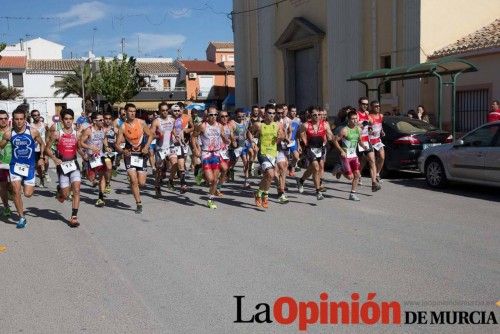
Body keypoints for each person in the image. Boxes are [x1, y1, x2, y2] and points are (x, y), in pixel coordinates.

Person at [0, 107, 45, 228]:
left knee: (28, 194)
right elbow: (1, 146)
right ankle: (21, 217)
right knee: (16, 191)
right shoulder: (9, 133)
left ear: (25, 119)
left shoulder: (33, 131)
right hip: (15, 166)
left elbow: (42, 144)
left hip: (29, 166)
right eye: (16, 119)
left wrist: (41, 157)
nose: (19, 122)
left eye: (21, 119)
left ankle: (23, 185)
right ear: (13, 120)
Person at [45, 108, 82, 227]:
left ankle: (74, 217)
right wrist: (55, 159)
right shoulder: (57, 133)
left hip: (74, 164)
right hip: (62, 167)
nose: (68, 121)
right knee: (65, 195)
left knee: (76, 189)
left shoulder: (77, 133)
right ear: (62, 120)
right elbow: (47, 149)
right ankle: (60, 191)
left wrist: (85, 156)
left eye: (70, 119)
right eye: (66, 119)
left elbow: (79, 148)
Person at [115, 103, 154, 214]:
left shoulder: (141, 123)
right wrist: (123, 151)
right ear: (125, 112)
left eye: (134, 111)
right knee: (133, 180)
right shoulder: (122, 127)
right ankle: (139, 203)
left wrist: (146, 147)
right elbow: (117, 144)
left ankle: (134, 185)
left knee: (141, 183)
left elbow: (151, 135)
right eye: (130, 111)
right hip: (130, 155)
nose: (132, 113)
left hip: (141, 155)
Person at [247, 104, 285, 209]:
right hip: (262, 153)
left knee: (269, 177)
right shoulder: (259, 125)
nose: (272, 115)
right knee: (270, 173)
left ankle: (259, 193)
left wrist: (281, 137)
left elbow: (282, 135)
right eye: (270, 113)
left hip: (273, 153)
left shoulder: (278, 125)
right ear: (265, 114)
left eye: (274, 113)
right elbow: (249, 132)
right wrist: (252, 143)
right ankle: (264, 195)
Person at [192, 105, 229, 209]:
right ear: (207, 115)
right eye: (211, 115)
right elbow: (193, 137)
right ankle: (201, 172)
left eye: (215, 115)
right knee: (210, 179)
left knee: (214, 181)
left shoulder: (219, 126)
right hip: (206, 153)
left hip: (216, 153)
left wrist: (227, 140)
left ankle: (210, 199)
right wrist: (196, 149)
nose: (213, 116)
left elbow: (222, 136)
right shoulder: (202, 126)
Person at [297, 106, 334, 200]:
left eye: (318, 115)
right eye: (314, 115)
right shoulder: (305, 125)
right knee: (316, 168)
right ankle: (318, 192)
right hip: (310, 149)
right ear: (310, 115)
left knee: (313, 168)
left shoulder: (325, 124)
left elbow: (330, 135)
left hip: (320, 148)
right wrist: (303, 146)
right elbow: (300, 135)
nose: (317, 117)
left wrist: (331, 137)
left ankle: (301, 181)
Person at [79, 112, 110, 207]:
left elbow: (104, 138)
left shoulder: (103, 129)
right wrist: (90, 147)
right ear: (94, 121)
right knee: (91, 178)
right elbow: (80, 143)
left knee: (102, 175)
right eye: (100, 120)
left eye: (103, 119)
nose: (103, 121)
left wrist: (106, 146)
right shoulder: (88, 130)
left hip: (100, 156)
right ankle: (85, 172)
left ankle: (101, 198)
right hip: (90, 157)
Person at [332, 110, 362, 201]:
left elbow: (359, 140)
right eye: (352, 119)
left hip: (354, 156)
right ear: (348, 120)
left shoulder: (358, 129)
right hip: (345, 156)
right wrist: (341, 150)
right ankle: (340, 169)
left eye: (356, 118)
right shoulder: (344, 130)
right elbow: (334, 140)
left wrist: (364, 145)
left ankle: (352, 194)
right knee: (350, 177)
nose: (355, 120)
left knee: (357, 175)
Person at [149, 102, 176, 197]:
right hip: (160, 149)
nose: (165, 112)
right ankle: (157, 186)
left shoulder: (172, 120)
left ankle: (170, 181)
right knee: (159, 170)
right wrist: (158, 135)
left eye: (166, 110)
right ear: (160, 111)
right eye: (162, 110)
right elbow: (151, 135)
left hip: (170, 146)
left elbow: (173, 130)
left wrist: (176, 135)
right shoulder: (156, 121)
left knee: (175, 164)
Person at [356, 97, 381, 192]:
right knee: (357, 162)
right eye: (363, 104)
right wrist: (364, 123)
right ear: (359, 104)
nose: (365, 106)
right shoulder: (356, 115)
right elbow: (354, 128)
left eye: (366, 104)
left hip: (367, 140)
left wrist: (369, 127)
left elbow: (369, 124)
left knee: (372, 161)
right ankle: (342, 169)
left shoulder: (367, 114)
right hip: (358, 141)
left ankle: (374, 183)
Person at [229, 108, 251, 188]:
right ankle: (230, 170)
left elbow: (247, 132)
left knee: (246, 162)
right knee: (233, 162)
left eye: (242, 116)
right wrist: (234, 138)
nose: (241, 118)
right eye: (239, 116)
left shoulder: (246, 122)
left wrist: (250, 141)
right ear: (235, 116)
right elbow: (229, 134)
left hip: (244, 145)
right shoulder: (232, 123)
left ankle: (246, 181)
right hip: (235, 147)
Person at [30, 109, 50, 187]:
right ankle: (41, 178)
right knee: (38, 165)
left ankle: (46, 171)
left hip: (43, 146)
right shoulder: (30, 125)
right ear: (32, 116)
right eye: (35, 115)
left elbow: (48, 131)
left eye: (38, 115)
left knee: (46, 161)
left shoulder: (44, 124)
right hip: (35, 148)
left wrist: (47, 139)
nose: (37, 116)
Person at [369, 101, 386, 182]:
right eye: (376, 106)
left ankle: (377, 174)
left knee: (382, 157)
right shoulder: (369, 117)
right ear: (371, 107)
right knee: (365, 160)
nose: (378, 107)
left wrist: (382, 131)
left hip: (378, 140)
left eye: (379, 106)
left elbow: (380, 125)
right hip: (369, 141)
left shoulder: (381, 116)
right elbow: (365, 128)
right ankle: (359, 175)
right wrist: (369, 130)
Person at [0, 110, 12, 217]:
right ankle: (6, 207)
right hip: (1, 163)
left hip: (14, 163)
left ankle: (10, 191)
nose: (3, 120)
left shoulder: (14, 131)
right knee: (2, 186)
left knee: (13, 186)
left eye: (5, 118)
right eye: (0, 119)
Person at [102, 111, 118, 193]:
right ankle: (105, 183)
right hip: (101, 152)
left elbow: (121, 138)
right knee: (107, 168)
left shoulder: (114, 129)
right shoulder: (101, 129)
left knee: (109, 169)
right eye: (106, 119)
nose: (108, 120)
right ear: (103, 119)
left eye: (109, 119)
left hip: (111, 152)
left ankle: (107, 182)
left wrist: (117, 141)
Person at [287, 105, 302, 177]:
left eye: (295, 111)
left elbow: (298, 134)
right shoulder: (286, 119)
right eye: (292, 111)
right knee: (285, 159)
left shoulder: (298, 120)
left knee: (296, 157)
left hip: (293, 141)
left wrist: (299, 145)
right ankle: (289, 171)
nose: (294, 113)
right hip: (285, 141)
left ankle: (291, 166)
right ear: (289, 111)